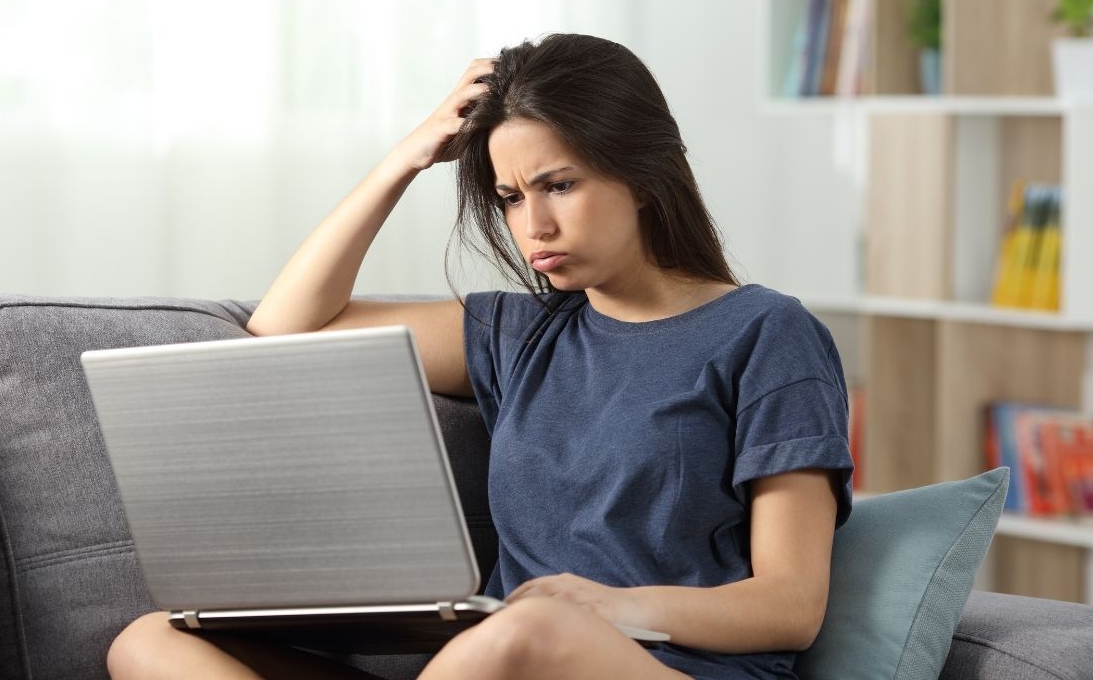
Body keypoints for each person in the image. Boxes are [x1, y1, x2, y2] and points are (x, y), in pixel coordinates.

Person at [106, 33, 854, 680]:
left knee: (535, 629)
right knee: (152, 643)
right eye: (510, 197)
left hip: (662, 664)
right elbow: (283, 328)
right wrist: (406, 158)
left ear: (643, 172)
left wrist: (606, 606)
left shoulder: (766, 333)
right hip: (495, 661)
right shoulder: (517, 333)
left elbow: (790, 605)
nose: (537, 225)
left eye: (559, 184)